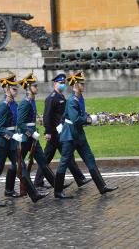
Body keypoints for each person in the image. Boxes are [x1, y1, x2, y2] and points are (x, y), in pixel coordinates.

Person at [54, 71, 118, 199]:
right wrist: (89, 120)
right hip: (70, 135)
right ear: (76, 85)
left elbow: (80, 115)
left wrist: (87, 117)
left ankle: (102, 187)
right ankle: (58, 191)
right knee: (64, 162)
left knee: (90, 159)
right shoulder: (72, 100)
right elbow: (76, 119)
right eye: (81, 83)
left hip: (79, 135)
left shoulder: (79, 98)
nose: (84, 85)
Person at [16, 73, 70, 203]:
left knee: (43, 162)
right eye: (34, 86)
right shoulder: (25, 103)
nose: (37, 88)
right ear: (28, 88)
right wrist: (30, 133)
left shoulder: (31, 101)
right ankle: (10, 188)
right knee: (18, 165)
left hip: (33, 138)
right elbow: (20, 123)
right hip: (25, 138)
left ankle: (57, 186)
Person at [34, 73, 91, 189]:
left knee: (67, 156)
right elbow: (47, 116)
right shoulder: (51, 98)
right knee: (48, 157)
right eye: (61, 83)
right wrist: (48, 132)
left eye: (64, 83)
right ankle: (39, 181)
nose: (63, 85)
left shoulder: (61, 97)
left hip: (62, 132)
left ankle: (79, 179)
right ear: (55, 84)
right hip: (54, 134)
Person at [0, 74, 23, 207]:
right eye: (14, 89)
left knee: (16, 165)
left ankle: (9, 190)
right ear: (7, 89)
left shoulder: (14, 104)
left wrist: (17, 134)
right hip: (1, 143)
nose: (16, 91)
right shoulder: (3, 105)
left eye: (16, 89)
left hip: (12, 141)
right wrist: (12, 135)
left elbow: (15, 123)